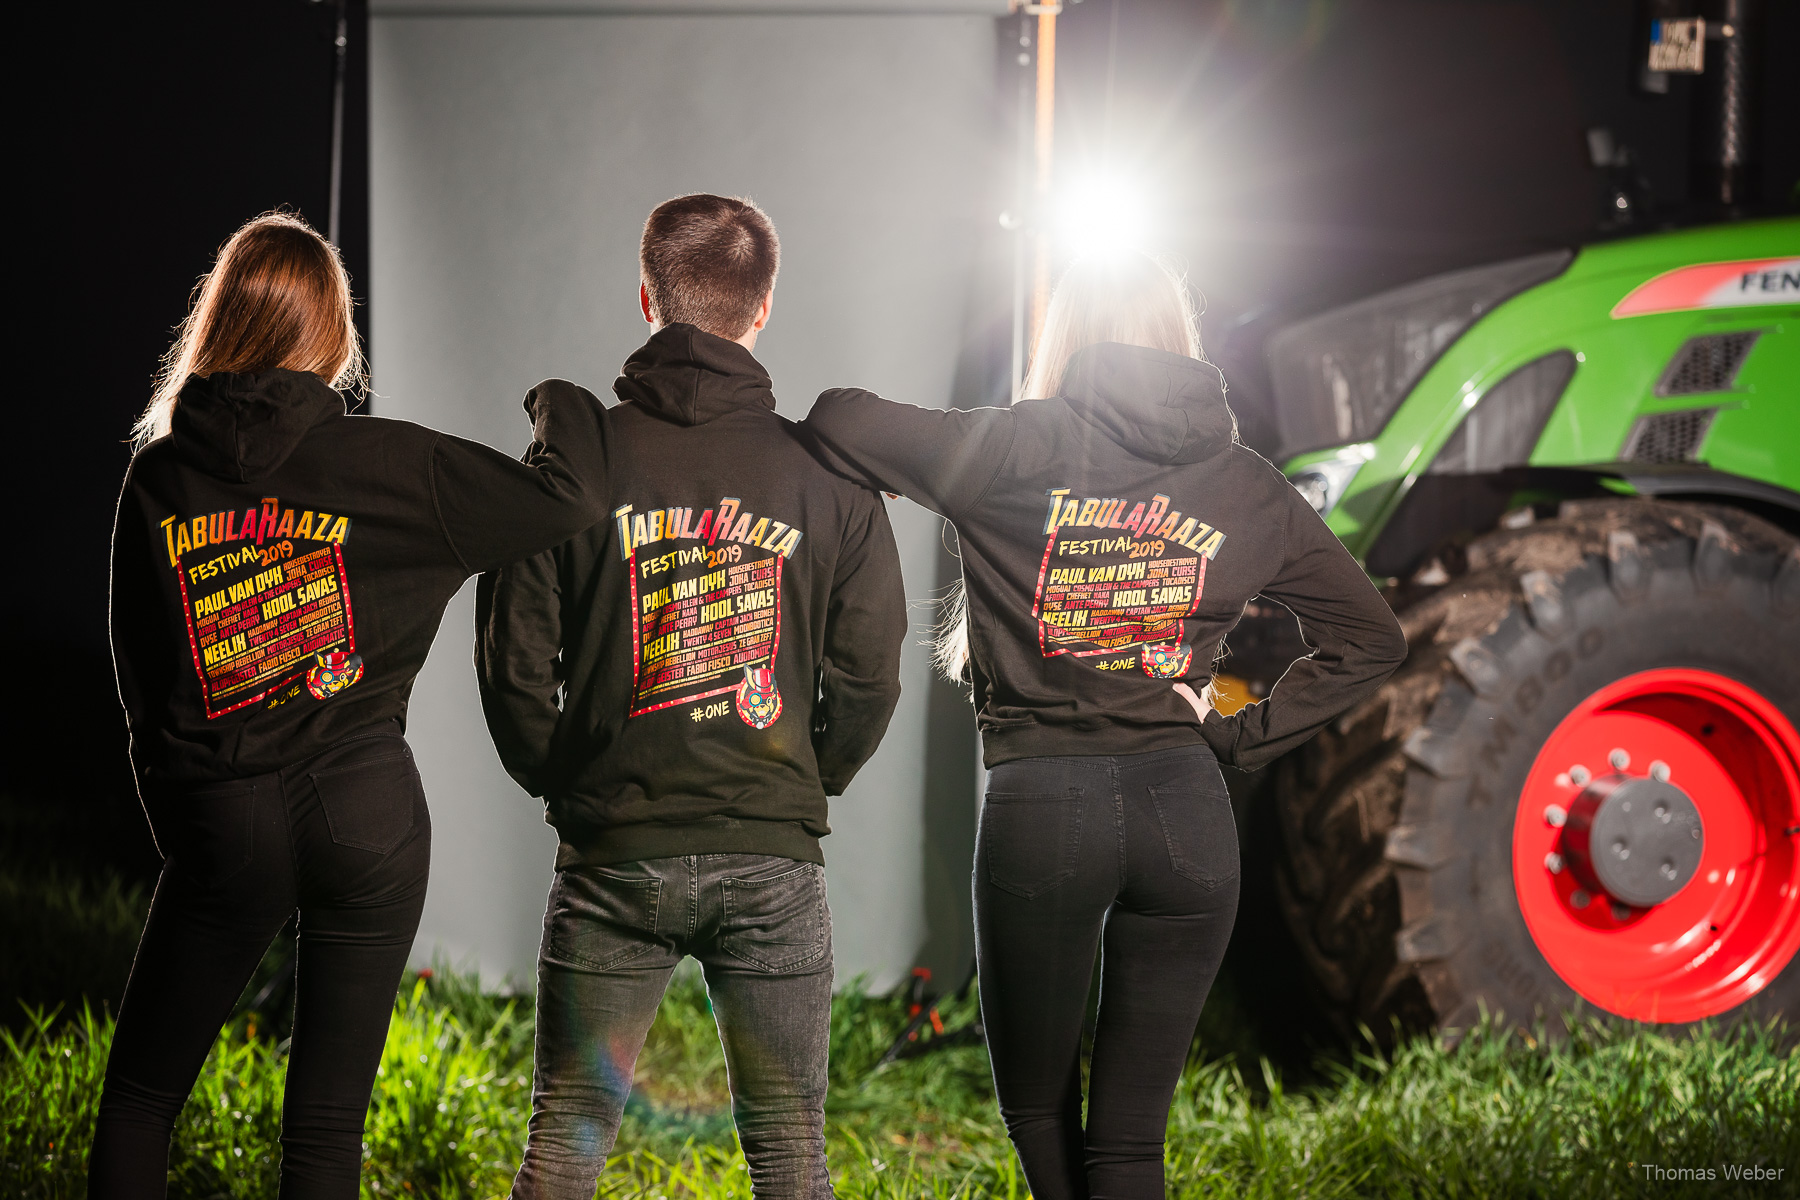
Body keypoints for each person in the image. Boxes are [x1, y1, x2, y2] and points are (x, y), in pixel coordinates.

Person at [801, 251, 1409, 1200]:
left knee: (1038, 1110)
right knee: (1132, 1144)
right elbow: (1371, 638)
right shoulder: (1245, 484)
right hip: (1188, 818)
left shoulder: (1011, 448)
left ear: (1064, 335)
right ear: (1182, 339)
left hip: (1044, 812)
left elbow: (838, 417)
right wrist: (1238, 730)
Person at [96, 211, 610, 1199]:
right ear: (332, 333)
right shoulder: (391, 465)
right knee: (326, 1124)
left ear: (221, 322)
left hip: (224, 816)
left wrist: (185, 817)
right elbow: (574, 497)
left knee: (142, 1102)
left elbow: (141, 673)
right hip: (368, 813)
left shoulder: (160, 477)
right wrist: (555, 401)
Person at [476, 193, 907, 1200]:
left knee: (565, 1144)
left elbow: (510, 660)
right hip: (773, 860)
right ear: (763, 310)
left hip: (611, 851)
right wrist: (804, 777)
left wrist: (573, 776)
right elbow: (870, 676)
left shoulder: (577, 467)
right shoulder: (832, 478)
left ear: (647, 300)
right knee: (792, 1153)